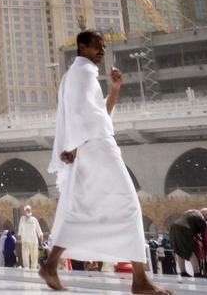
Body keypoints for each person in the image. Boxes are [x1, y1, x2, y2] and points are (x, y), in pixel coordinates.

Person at [39, 31, 169, 294]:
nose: (102, 51)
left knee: (82, 208)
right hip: (97, 146)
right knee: (130, 204)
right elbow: (83, 116)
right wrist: (73, 146)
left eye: (104, 47)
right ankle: (140, 281)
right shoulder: (84, 73)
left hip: (89, 144)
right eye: (97, 46)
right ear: (81, 46)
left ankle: (51, 265)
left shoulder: (76, 74)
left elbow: (97, 114)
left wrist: (115, 89)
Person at [168, 210, 206, 276]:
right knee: (190, 252)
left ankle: (183, 272)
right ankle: (197, 273)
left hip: (173, 229)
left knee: (179, 252)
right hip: (183, 230)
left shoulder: (187, 216)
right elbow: (204, 231)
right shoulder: (200, 217)